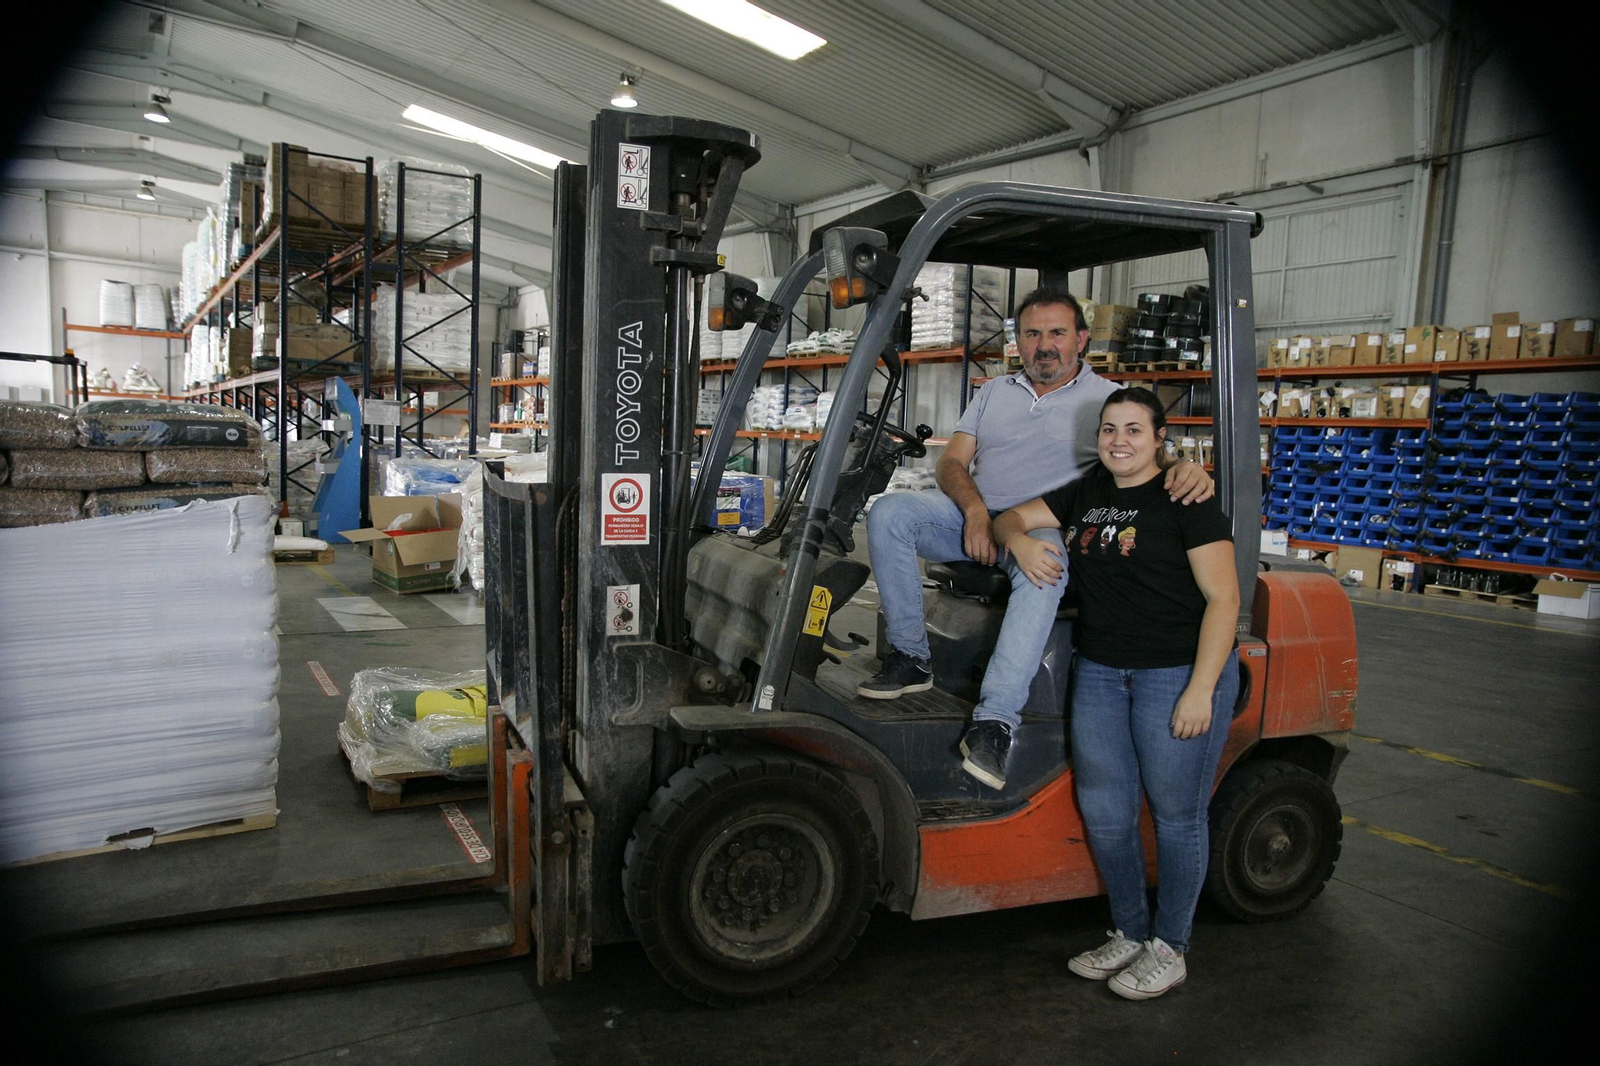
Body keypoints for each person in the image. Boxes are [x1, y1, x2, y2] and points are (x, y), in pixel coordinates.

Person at [860, 287, 1213, 790]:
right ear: (1018, 342)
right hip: (977, 518)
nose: (1044, 345)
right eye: (1032, 334)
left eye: (1057, 333)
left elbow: (1143, 452)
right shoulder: (992, 393)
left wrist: (1187, 468)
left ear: (1081, 340)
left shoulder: (1104, 399)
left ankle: (996, 720)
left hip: (1045, 522)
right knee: (890, 512)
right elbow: (952, 462)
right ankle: (911, 657)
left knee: (1044, 562)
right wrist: (976, 512)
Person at [990, 386, 1241, 1002]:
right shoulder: (1086, 493)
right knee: (1105, 814)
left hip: (1175, 672)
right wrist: (1020, 541)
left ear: (1160, 439)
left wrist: (1200, 690)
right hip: (1102, 672)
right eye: (1108, 429)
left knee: (1178, 817)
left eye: (1133, 430)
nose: (1118, 441)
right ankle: (1130, 930)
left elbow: (1225, 600)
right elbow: (1009, 517)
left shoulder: (1186, 497)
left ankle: (1170, 946)